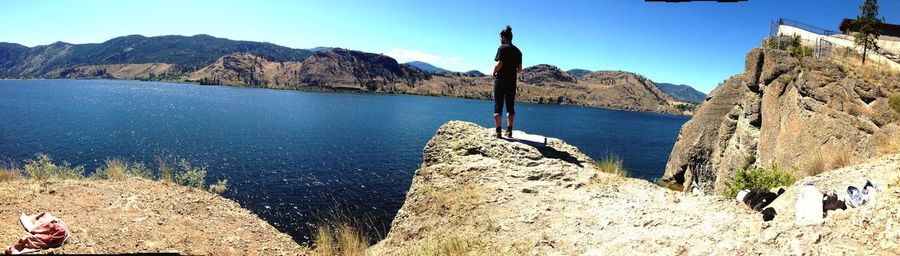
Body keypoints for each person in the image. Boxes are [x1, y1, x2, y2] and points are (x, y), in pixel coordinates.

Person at [492, 25, 523, 138]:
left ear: (504, 37)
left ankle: (498, 131)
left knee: (498, 105)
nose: (500, 40)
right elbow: (519, 69)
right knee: (510, 106)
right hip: (511, 82)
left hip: (500, 81)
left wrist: (494, 72)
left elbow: (499, 64)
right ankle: (509, 131)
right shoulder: (518, 51)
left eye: (500, 38)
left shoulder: (502, 48)